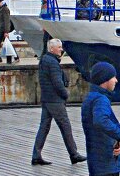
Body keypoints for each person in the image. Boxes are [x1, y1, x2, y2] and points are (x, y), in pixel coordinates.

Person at [32, 38, 86, 166]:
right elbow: (57, 83)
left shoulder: (45, 60)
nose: (61, 49)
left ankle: (36, 155)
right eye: (59, 47)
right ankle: (74, 154)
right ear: (52, 49)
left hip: (46, 99)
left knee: (44, 127)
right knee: (65, 126)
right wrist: (65, 94)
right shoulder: (52, 62)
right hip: (55, 100)